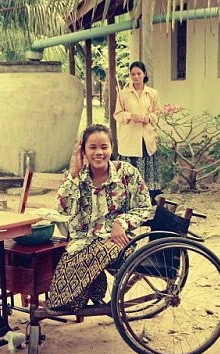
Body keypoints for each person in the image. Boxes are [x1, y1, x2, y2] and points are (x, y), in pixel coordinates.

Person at [47, 124, 152, 310]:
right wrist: (74, 173)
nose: (99, 153)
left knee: (102, 251)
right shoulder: (77, 178)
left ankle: (72, 299)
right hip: (84, 242)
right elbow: (63, 211)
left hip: (119, 242)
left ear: (112, 148)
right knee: (69, 269)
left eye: (104, 147)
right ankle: (76, 298)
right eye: (92, 147)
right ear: (83, 150)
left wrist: (122, 222)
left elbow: (144, 207)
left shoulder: (126, 173)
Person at [114, 61, 163, 204]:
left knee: (147, 164)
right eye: (133, 74)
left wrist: (149, 118)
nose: (136, 77)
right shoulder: (123, 94)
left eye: (138, 74)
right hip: (129, 137)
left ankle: (148, 199)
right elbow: (117, 114)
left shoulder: (153, 93)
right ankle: (129, 198)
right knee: (130, 166)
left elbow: (158, 113)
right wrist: (130, 116)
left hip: (146, 136)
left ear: (144, 74)